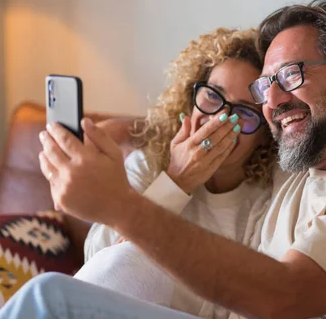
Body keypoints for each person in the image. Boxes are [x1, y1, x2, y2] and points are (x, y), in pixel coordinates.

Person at [0, 0, 326, 319]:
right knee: (76, 289)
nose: (272, 101)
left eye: (292, 75)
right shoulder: (299, 180)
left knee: (48, 298)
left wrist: (120, 205)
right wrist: (160, 177)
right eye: (267, 86)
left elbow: (283, 294)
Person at [72, 27, 276, 318]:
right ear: (191, 97)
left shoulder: (265, 204)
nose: (219, 120)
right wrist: (176, 181)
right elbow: (100, 265)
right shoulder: (149, 163)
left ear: (264, 135)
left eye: (243, 113)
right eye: (213, 96)